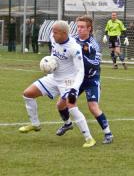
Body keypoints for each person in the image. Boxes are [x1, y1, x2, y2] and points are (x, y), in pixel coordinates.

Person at [19, 20, 96, 148]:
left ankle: (89, 138)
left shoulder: (74, 48)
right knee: (28, 94)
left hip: (68, 81)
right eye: (52, 32)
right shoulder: (53, 38)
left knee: (70, 105)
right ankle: (35, 124)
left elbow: (80, 71)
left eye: (55, 32)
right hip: (53, 77)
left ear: (64, 33)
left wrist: (74, 89)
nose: (52, 35)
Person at [56, 15, 113, 144]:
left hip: (91, 79)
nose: (79, 29)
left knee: (93, 107)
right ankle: (67, 124)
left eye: (82, 27)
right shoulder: (73, 40)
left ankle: (108, 134)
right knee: (61, 104)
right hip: (77, 79)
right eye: (78, 27)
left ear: (89, 29)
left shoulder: (93, 45)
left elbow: (95, 63)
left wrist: (80, 56)